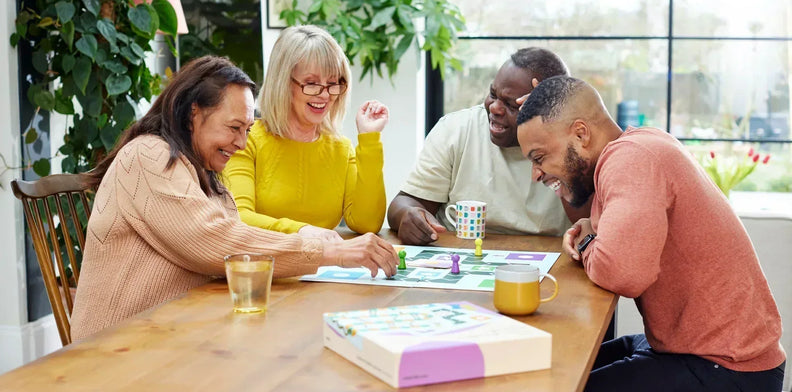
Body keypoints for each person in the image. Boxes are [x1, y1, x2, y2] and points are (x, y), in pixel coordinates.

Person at [71, 56, 397, 341]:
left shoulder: (201, 170)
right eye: (234, 127)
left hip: (176, 333)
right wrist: (333, 251)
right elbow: (218, 240)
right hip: (118, 350)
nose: (242, 143)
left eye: (247, 129)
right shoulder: (148, 156)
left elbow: (234, 236)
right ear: (193, 114)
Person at [516, 75, 785, 391]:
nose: (536, 174)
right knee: (555, 366)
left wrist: (588, 239)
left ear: (580, 133)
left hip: (726, 368)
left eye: (539, 157)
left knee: (559, 384)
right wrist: (591, 230)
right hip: (694, 351)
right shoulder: (639, 145)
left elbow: (622, 272)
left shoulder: (631, 160)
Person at [387, 47, 589, 245]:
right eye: (493, 94)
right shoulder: (456, 129)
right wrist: (409, 215)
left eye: (511, 105)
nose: (494, 108)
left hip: (549, 260)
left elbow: (592, 222)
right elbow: (403, 203)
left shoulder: (576, 144)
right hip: (463, 254)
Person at [223, 25, 388, 243]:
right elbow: (239, 218)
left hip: (322, 269)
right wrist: (302, 232)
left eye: (332, 83)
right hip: (264, 269)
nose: (325, 95)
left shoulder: (340, 148)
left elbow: (367, 223)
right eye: (311, 84)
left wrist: (369, 140)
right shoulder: (247, 141)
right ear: (283, 83)